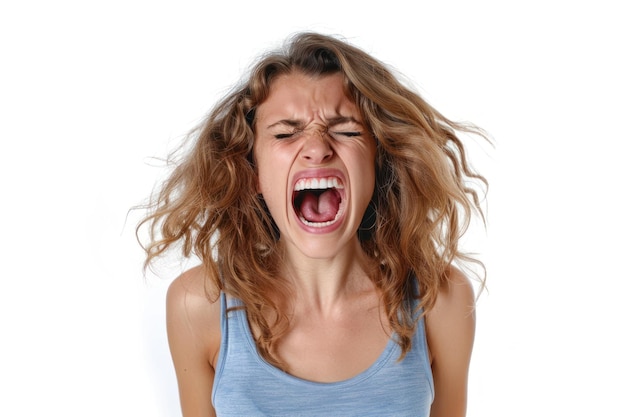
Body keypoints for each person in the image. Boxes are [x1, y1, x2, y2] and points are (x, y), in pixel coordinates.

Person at [137, 32, 488, 417]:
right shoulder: (198, 305)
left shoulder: (440, 301)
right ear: (252, 171)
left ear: (378, 163)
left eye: (347, 130)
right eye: (286, 133)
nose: (318, 148)